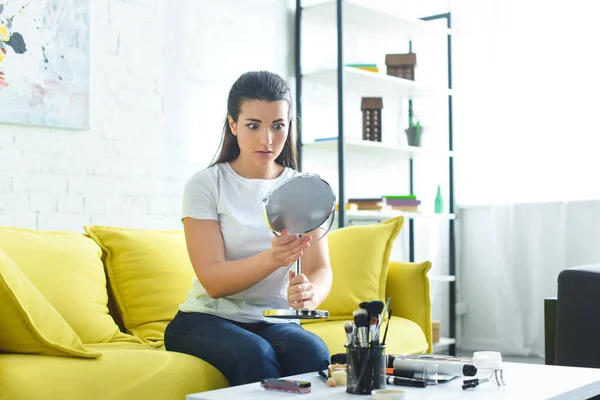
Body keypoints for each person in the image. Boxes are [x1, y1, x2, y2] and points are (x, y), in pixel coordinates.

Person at [164, 70, 332, 386]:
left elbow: (321, 269)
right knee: (254, 354)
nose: (266, 139)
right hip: (207, 318)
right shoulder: (206, 185)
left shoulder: (304, 187)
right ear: (233, 125)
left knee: (312, 350)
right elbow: (213, 281)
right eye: (253, 126)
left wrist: (312, 295)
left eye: (278, 126)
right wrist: (273, 259)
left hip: (272, 320)